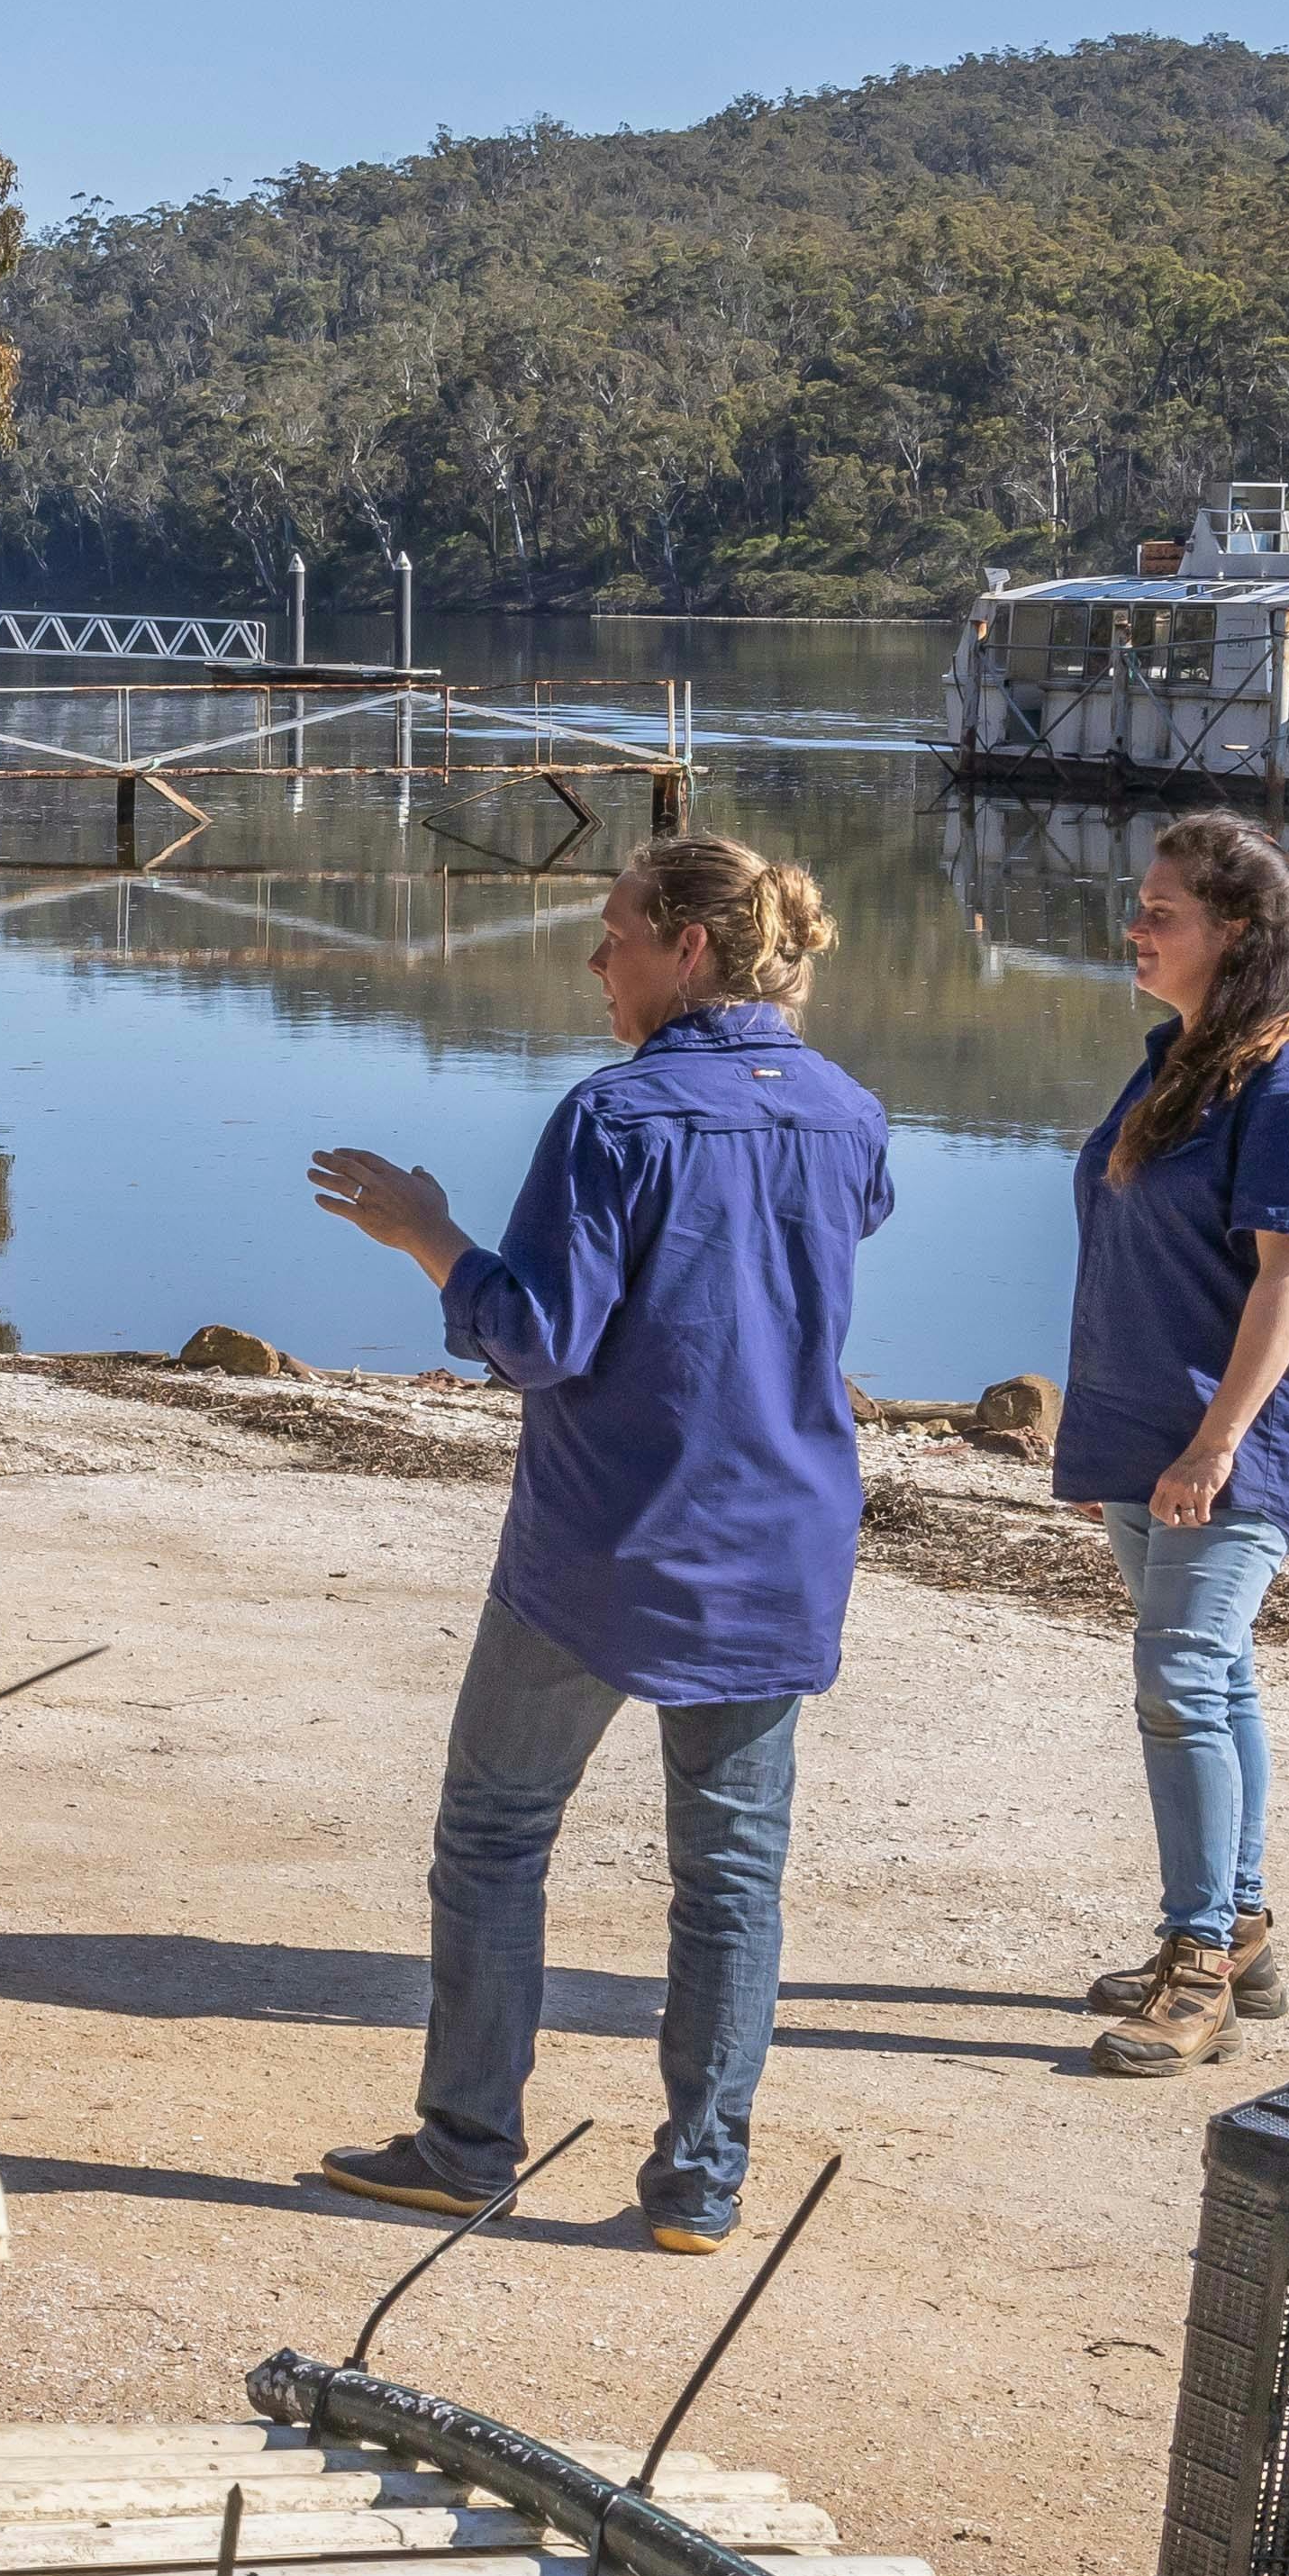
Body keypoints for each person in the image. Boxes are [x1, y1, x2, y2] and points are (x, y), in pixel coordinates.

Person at [298, 838, 895, 2254]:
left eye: (613, 932)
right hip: (779, 1537)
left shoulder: (616, 1116)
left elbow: (536, 1338)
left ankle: (466, 2147)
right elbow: (830, 1244)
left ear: (689, 948)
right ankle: (699, 2188)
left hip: (608, 1538)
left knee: (498, 1833)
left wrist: (429, 1235)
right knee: (731, 1872)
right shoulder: (849, 1111)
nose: (595, 959)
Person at [1065, 812, 1289, 2074]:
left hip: (1234, 1437)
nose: (1135, 929)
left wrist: (1211, 1447)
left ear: (1237, 932)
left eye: (1163, 913)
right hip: (1152, 1426)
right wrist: (1128, 1444)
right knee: (1217, 1676)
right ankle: (1239, 1929)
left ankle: (1194, 1965)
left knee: (1182, 1679)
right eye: (1140, 907)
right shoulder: (1188, 1055)